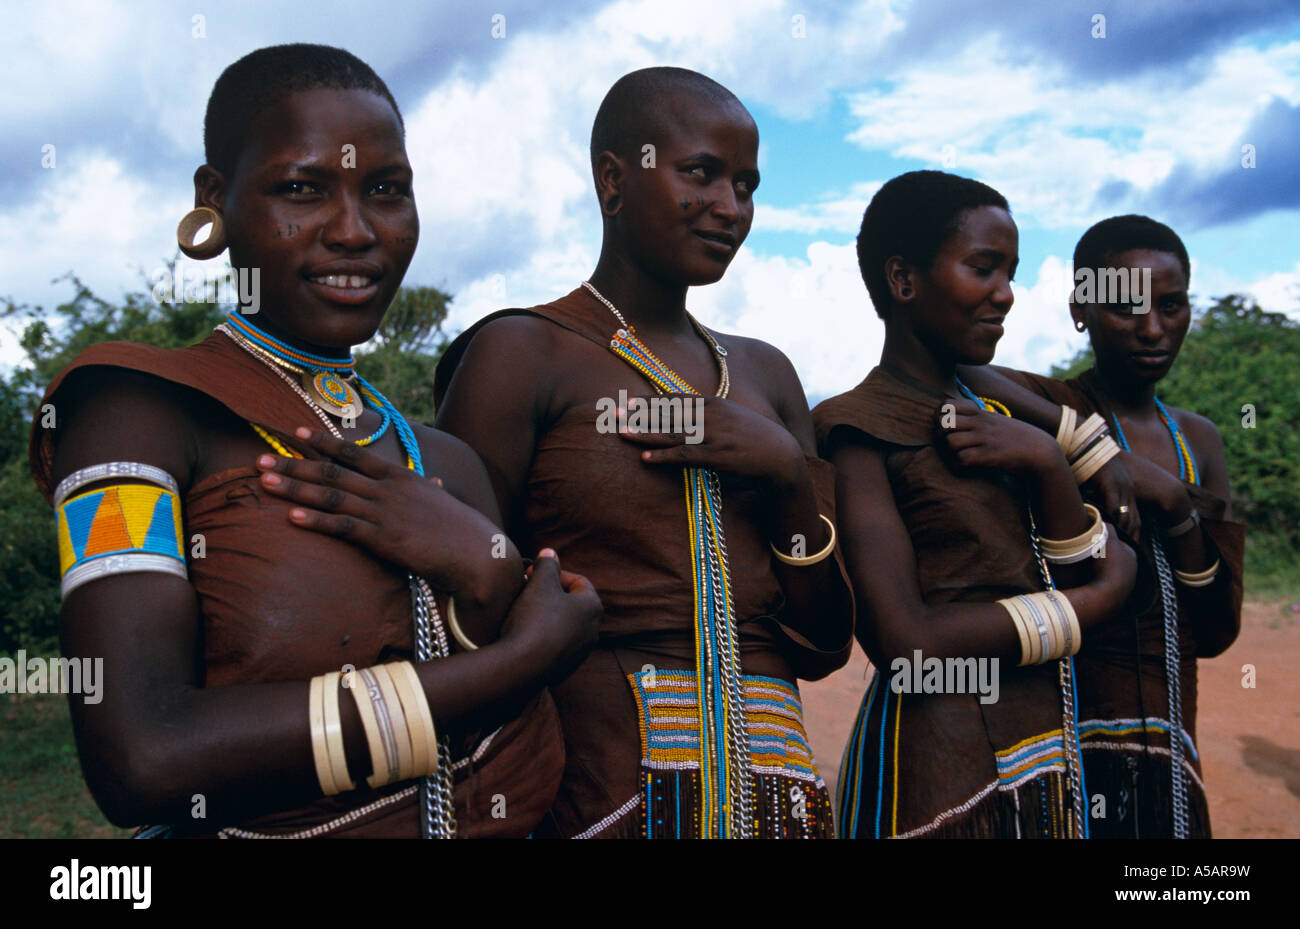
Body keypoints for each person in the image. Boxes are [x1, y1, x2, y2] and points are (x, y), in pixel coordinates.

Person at [28, 43, 601, 839]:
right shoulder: (131, 414)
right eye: (302, 189)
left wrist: (478, 559)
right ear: (216, 198)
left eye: (386, 191)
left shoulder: (450, 463)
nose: (355, 231)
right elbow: (143, 758)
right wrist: (514, 667)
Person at [433, 67, 854, 839]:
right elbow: (457, 605)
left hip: (779, 794)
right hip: (596, 791)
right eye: (701, 173)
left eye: (747, 185)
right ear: (613, 180)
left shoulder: (768, 374)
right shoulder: (521, 353)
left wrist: (788, 477)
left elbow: (825, 645)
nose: (731, 208)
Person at [813, 170, 1137, 838]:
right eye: (983, 268)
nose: (1006, 294)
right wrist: (1098, 601)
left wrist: (1049, 464)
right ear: (903, 279)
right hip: (936, 770)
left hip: (1043, 748)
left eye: (1011, 272)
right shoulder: (854, 428)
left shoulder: (1006, 422)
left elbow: (1069, 568)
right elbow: (909, 647)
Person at [956, 215, 1244, 837]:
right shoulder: (1049, 406)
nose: (1152, 329)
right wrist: (1092, 447)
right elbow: (956, 369)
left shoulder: (1199, 441)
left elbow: (1218, 629)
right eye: (1126, 308)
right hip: (1060, 752)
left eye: (1172, 306)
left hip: (1170, 761)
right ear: (1080, 309)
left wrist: (1173, 502)